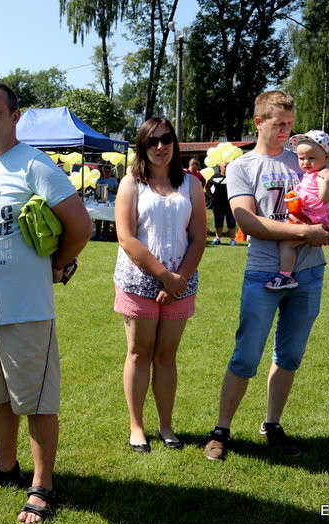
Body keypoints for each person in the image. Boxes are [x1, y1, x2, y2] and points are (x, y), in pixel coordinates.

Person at [0, 83, 91, 524]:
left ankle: (43, 484)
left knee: (35, 401)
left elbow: (82, 225)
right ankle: (5, 465)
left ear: (15, 117)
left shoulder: (35, 164)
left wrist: (59, 263)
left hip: (26, 307)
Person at [203, 91, 329, 461]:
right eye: (279, 124)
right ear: (259, 122)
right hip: (263, 272)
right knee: (246, 355)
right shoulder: (243, 166)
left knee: (290, 354)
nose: (286, 131)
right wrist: (301, 234)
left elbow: (325, 199)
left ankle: (272, 424)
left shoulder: (304, 160)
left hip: (309, 272)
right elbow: (246, 221)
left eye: (290, 124)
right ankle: (221, 429)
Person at [113, 118, 206, 453]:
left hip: (181, 283)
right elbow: (126, 237)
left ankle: (166, 426)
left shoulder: (191, 185)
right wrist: (165, 277)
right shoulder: (131, 183)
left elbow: (198, 237)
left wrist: (178, 280)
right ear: (142, 146)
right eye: (152, 141)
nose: (160, 147)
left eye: (166, 139)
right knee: (139, 354)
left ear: (175, 143)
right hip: (138, 282)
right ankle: (137, 427)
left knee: (166, 357)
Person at [266, 130, 329, 290]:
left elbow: (325, 197)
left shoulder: (324, 174)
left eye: (312, 158)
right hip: (311, 217)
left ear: (327, 157)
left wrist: (326, 181)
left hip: (318, 221)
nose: (306, 162)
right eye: (302, 158)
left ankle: (286, 276)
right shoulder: (311, 174)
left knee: (286, 243)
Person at [206, 162, 237, 246]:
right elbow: (207, 186)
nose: (227, 168)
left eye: (228, 166)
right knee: (218, 221)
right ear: (220, 167)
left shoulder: (233, 176)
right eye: (225, 166)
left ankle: (232, 240)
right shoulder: (215, 176)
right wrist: (210, 196)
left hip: (230, 203)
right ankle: (218, 238)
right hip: (218, 203)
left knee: (231, 221)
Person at [93, 164, 118, 240]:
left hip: (109, 202)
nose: (107, 172)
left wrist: (110, 190)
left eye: (108, 171)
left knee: (107, 218)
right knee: (98, 217)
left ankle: (105, 234)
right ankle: (97, 234)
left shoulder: (113, 180)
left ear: (110, 172)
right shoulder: (99, 180)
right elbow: (96, 190)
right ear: (103, 172)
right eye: (105, 171)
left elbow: (117, 190)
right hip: (101, 201)